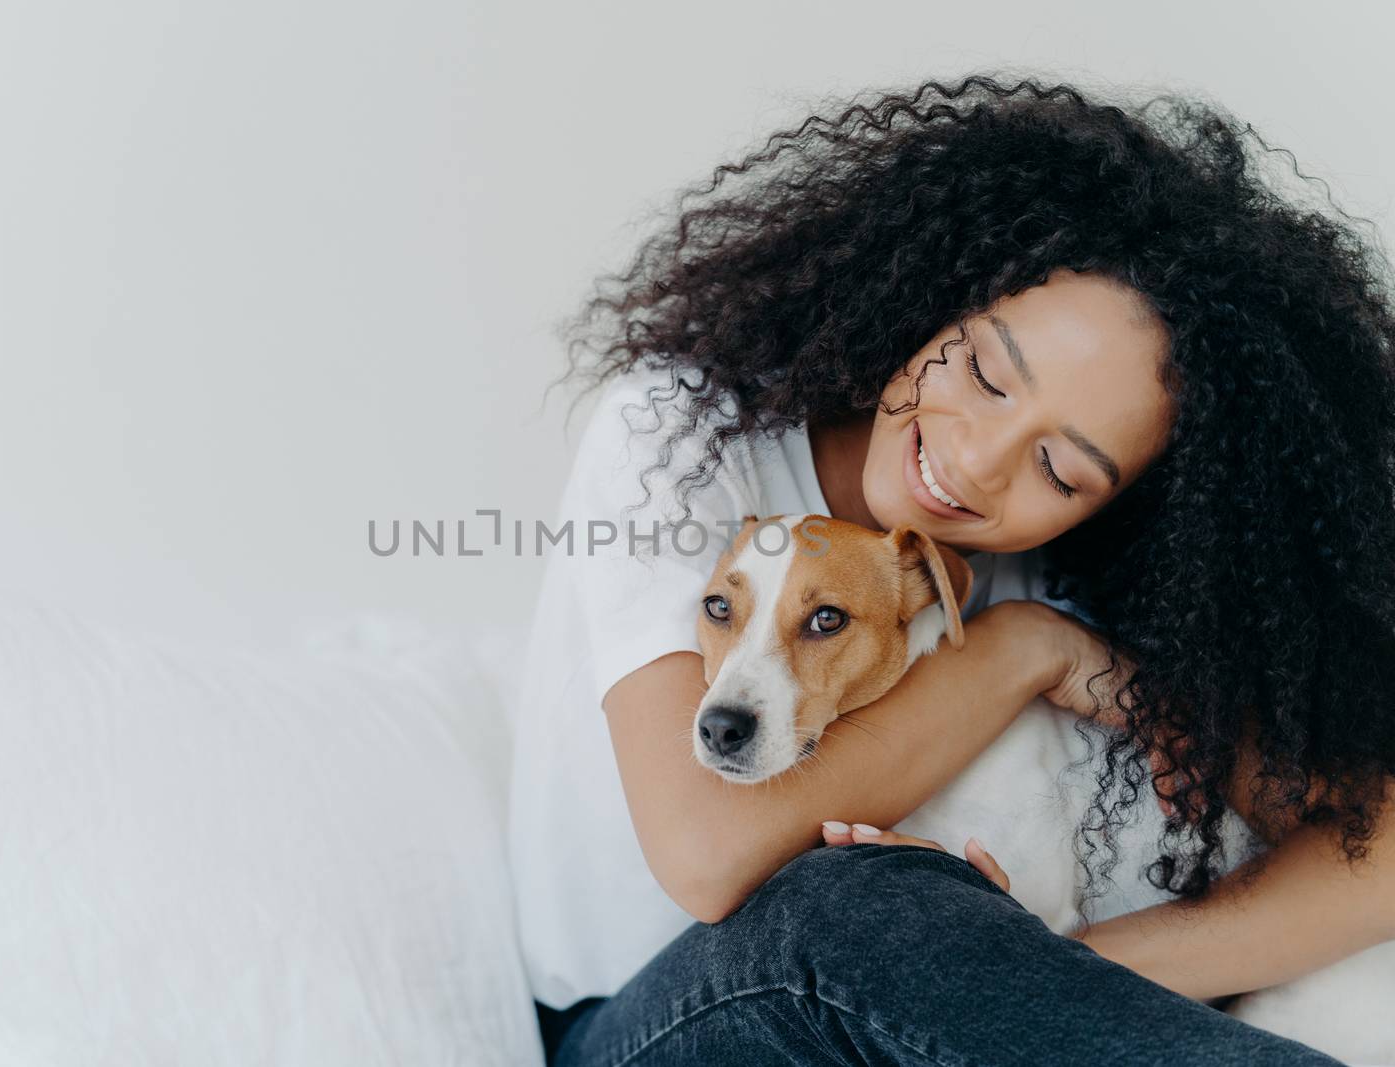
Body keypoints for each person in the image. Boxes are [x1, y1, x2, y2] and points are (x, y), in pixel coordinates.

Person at [507, 74, 1395, 1066]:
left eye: (1059, 466)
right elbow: (709, 853)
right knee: (856, 898)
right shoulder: (685, 434)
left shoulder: (1082, 572)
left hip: (952, 1000)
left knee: (910, 908)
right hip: (643, 1023)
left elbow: (1381, 846)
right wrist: (1022, 650)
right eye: (981, 371)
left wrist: (1063, 966)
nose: (973, 461)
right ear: (936, 296)